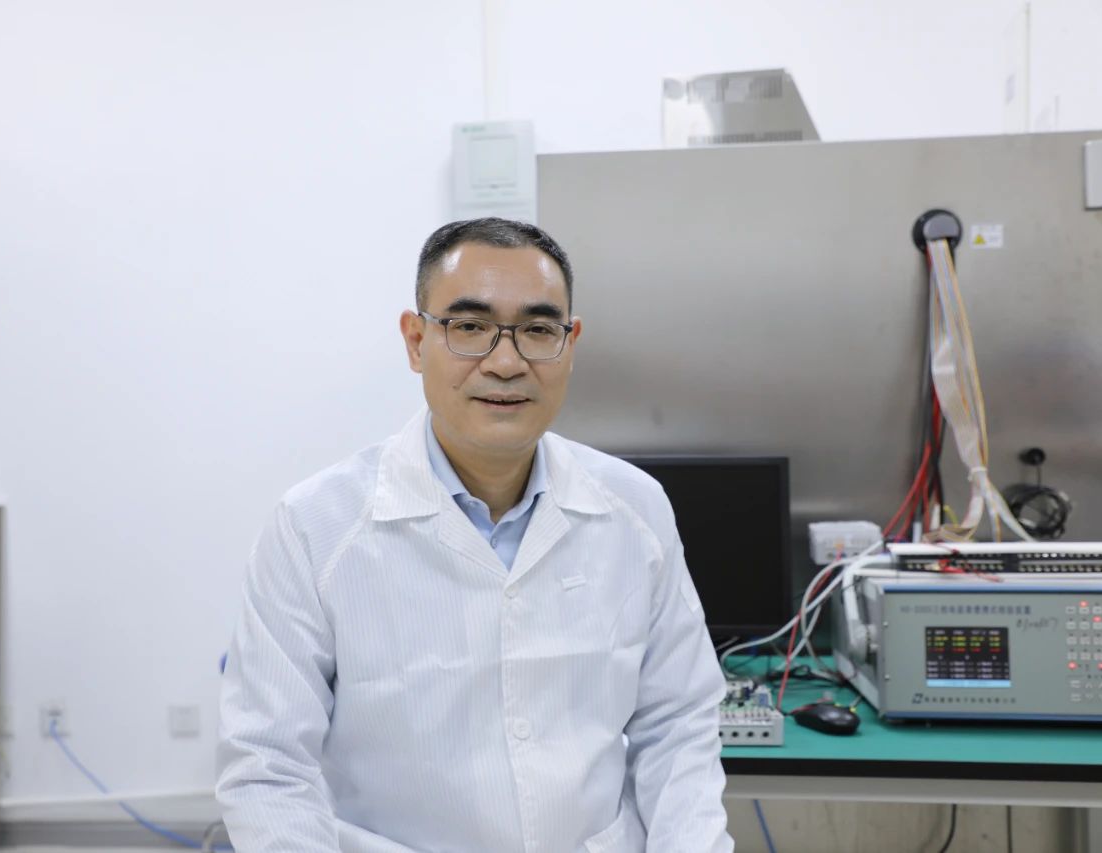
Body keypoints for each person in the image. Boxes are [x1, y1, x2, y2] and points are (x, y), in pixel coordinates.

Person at [216, 218, 733, 852]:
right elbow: (268, 767)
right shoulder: (314, 527)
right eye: (469, 327)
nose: (506, 362)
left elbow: (678, 727)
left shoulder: (634, 509)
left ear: (570, 344)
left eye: (538, 330)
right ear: (416, 341)